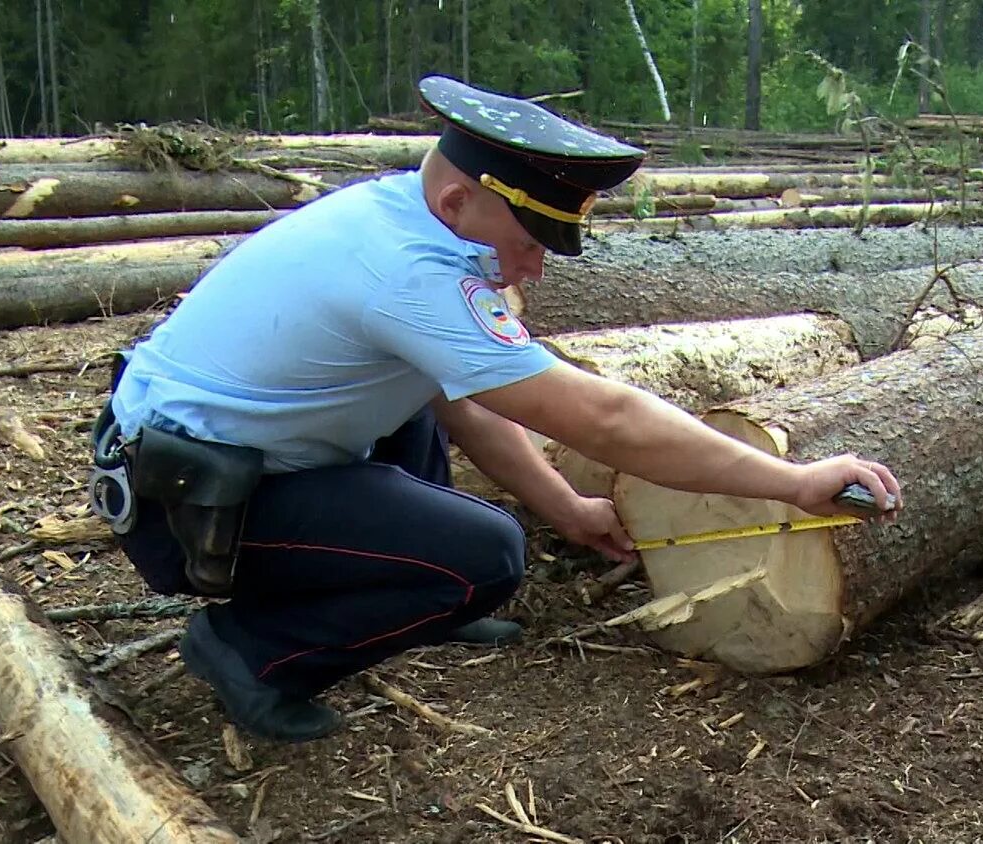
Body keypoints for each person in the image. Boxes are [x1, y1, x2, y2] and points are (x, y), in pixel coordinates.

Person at [88, 75, 903, 744]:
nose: (535, 270)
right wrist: (792, 482)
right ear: (458, 201)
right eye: (528, 242)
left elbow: (463, 396)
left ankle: (423, 600)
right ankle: (251, 652)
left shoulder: (399, 213)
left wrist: (567, 506)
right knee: (488, 555)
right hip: (188, 505)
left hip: (214, 462)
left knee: (419, 406)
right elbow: (606, 421)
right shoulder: (410, 271)